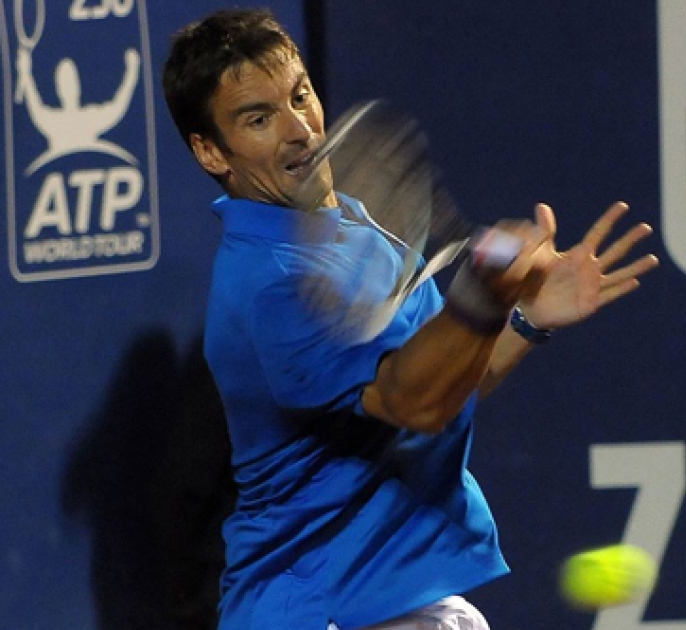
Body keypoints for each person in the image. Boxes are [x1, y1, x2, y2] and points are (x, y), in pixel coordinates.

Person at [162, 8, 658, 630]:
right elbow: (410, 403)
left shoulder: (355, 225)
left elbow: (445, 389)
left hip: (395, 599)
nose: (300, 131)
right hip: (325, 610)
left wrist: (526, 316)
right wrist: (479, 300)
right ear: (211, 151)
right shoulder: (270, 284)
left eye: (300, 96)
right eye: (259, 119)